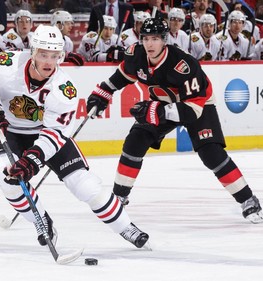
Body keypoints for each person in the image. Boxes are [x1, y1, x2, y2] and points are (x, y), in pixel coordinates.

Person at [0, 24, 150, 249]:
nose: (49, 62)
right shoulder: (5, 63)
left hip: (46, 136)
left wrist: (33, 158)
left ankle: (126, 227)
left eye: (54, 55)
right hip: (9, 131)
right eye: (43, 54)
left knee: (84, 185)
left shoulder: (64, 88)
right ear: (33, 51)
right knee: (6, 178)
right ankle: (41, 221)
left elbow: (54, 134)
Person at [85, 18, 263, 224]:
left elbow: (192, 110)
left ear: (164, 40)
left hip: (198, 103)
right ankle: (119, 198)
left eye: (155, 39)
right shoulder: (137, 54)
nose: (149, 44)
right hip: (163, 101)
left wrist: (155, 110)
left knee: (210, 152)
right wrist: (102, 94)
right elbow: (121, 76)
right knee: (136, 140)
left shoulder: (183, 64)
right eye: (145, 39)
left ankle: (248, 199)